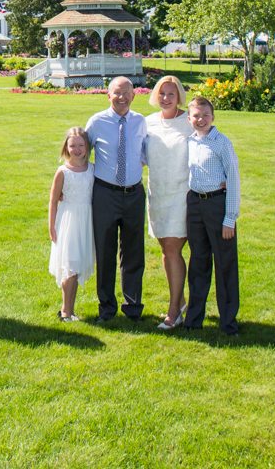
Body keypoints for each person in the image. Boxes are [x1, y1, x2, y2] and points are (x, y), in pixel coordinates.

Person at [86, 76, 147, 322]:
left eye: (126, 93)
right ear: (108, 95)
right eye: (116, 93)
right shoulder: (96, 122)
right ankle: (107, 308)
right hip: (105, 195)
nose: (121, 98)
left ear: (134, 96)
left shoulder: (141, 122)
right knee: (105, 251)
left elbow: (144, 153)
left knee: (134, 252)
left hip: (133, 194)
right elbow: (80, 153)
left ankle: (133, 307)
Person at [180, 96, 241, 335]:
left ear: (213, 117)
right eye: (196, 115)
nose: (201, 120)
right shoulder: (190, 141)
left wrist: (230, 218)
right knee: (198, 262)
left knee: (225, 264)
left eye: (205, 115)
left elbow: (233, 180)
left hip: (218, 205)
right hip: (195, 203)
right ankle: (194, 318)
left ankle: (228, 321)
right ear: (189, 118)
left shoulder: (221, 143)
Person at [144, 75, 191, 329]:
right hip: (158, 195)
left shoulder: (189, 121)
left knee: (173, 249)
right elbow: (138, 156)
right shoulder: (148, 123)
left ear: (179, 96)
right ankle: (180, 300)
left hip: (182, 196)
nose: (166, 98)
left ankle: (174, 312)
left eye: (171, 94)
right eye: (162, 93)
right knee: (166, 251)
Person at [48, 127, 95, 322]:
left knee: (77, 265)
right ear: (66, 147)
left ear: (87, 147)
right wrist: (51, 226)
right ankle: (65, 310)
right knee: (70, 265)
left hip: (86, 220)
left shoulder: (92, 169)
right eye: (72, 145)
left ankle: (71, 309)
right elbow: (52, 200)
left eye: (80, 145)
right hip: (68, 221)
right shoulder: (63, 172)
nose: (76, 149)